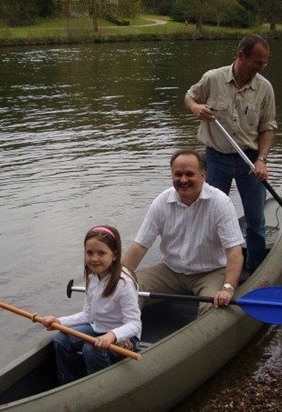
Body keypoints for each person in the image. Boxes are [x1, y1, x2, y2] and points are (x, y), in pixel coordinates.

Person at [184, 33, 277, 276]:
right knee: (209, 218)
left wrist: (262, 160)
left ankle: (254, 271)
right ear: (241, 56)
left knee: (256, 223)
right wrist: (196, 108)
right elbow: (189, 96)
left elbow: (268, 127)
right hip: (216, 159)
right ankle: (212, 269)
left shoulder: (265, 88)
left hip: (250, 160)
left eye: (264, 62)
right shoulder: (213, 78)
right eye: (257, 61)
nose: (261, 67)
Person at [123, 149, 245, 314]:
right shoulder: (161, 202)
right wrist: (119, 278)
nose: (183, 180)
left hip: (211, 272)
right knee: (127, 290)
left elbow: (234, 252)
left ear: (203, 176)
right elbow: (140, 246)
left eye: (189, 174)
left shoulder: (221, 203)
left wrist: (228, 288)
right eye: (178, 174)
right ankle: (121, 336)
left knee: (214, 307)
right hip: (170, 270)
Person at [41, 225, 141, 385]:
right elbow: (87, 315)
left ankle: (100, 386)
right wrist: (59, 322)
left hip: (126, 338)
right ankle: (69, 383)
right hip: (98, 329)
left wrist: (112, 335)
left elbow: (135, 324)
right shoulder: (93, 277)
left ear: (114, 255)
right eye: (89, 253)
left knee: (91, 349)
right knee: (60, 340)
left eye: (101, 253)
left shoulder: (124, 283)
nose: (94, 258)